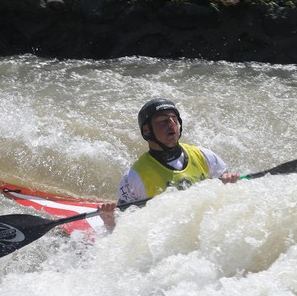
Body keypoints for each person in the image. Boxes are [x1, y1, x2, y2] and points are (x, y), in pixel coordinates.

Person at [98, 98, 240, 229]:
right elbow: (121, 230)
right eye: (163, 121)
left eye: (174, 120)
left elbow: (231, 203)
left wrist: (230, 186)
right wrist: (109, 219)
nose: (172, 124)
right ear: (147, 131)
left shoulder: (205, 156)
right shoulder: (135, 176)